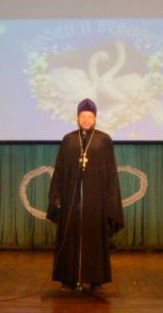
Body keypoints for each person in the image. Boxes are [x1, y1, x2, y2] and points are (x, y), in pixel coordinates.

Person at [47, 98, 124, 293]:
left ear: (95, 118)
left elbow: (111, 173)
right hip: (71, 200)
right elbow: (59, 170)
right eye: (83, 116)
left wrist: (111, 201)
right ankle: (67, 279)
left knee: (94, 238)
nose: (86, 120)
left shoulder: (104, 140)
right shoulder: (68, 140)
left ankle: (96, 279)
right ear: (77, 118)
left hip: (96, 201)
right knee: (69, 236)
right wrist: (56, 198)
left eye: (90, 117)